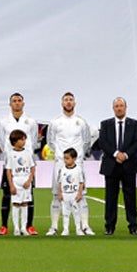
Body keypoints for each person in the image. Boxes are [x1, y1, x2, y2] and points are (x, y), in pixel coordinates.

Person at [46, 92, 93, 236]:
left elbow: (86, 141)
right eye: (66, 100)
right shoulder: (55, 122)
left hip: (77, 164)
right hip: (60, 163)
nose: (68, 102)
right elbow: (50, 141)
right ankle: (54, 227)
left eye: (71, 100)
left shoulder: (81, 122)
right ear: (62, 103)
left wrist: (76, 156)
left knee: (81, 194)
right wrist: (62, 156)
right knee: (56, 194)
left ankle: (85, 226)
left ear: (75, 103)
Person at [0, 93, 39, 235]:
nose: (17, 103)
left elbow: (32, 140)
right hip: (11, 161)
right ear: (10, 104)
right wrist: (9, 154)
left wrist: (26, 154)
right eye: (14, 101)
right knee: (8, 193)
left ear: (23, 103)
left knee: (29, 194)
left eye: (19, 101)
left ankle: (29, 226)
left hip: (26, 162)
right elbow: (2, 141)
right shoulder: (3, 122)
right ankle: (4, 226)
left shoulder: (31, 122)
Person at [99, 97, 137, 235]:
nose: (119, 108)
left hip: (129, 165)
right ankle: (109, 226)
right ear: (113, 108)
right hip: (111, 165)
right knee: (111, 197)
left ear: (126, 107)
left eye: (121, 105)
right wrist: (116, 153)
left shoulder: (134, 124)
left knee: (130, 196)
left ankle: (133, 226)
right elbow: (103, 143)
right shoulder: (105, 124)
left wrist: (125, 155)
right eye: (116, 106)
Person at [5, 129, 35, 236]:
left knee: (25, 203)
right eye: (22, 139)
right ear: (15, 141)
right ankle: (16, 228)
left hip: (26, 180)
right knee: (16, 203)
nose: (24, 141)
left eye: (24, 139)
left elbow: (32, 167)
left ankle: (23, 227)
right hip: (16, 180)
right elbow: (8, 170)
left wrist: (30, 180)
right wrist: (11, 185)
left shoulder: (27, 153)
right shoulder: (11, 154)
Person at [57, 148, 85, 236]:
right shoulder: (62, 170)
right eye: (64, 158)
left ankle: (78, 229)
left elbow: (81, 182)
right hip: (65, 194)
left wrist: (80, 194)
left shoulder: (78, 169)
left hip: (74, 194)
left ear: (74, 158)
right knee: (65, 213)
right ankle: (65, 229)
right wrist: (60, 193)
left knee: (76, 212)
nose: (65, 160)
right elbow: (60, 182)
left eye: (68, 158)